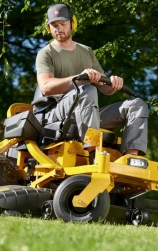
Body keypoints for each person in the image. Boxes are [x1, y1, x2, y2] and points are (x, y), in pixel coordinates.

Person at [36, 3, 149, 156]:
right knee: (87, 89)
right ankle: (93, 151)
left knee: (137, 104)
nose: (58, 28)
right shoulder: (46, 53)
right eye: (54, 25)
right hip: (57, 113)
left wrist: (114, 82)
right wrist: (78, 78)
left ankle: (131, 157)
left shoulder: (86, 52)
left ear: (72, 23)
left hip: (87, 111)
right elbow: (46, 87)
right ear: (49, 27)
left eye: (62, 24)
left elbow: (106, 89)